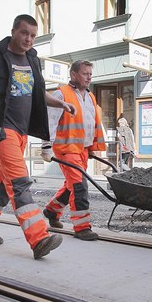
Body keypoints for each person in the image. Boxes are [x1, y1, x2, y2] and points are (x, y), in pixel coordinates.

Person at [0, 14, 76, 259]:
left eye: (33, 35)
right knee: (20, 181)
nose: (29, 39)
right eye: (24, 33)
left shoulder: (32, 60)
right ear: (13, 31)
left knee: (3, 184)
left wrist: (60, 104)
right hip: (0, 130)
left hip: (22, 131)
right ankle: (38, 238)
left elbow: (37, 93)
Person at [40, 60, 106, 241]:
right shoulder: (61, 94)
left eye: (90, 74)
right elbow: (50, 121)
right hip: (66, 148)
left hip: (82, 149)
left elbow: (92, 123)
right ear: (74, 75)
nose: (89, 77)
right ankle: (82, 227)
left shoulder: (90, 97)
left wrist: (92, 147)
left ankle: (52, 211)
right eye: (85, 74)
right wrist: (46, 146)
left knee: (72, 185)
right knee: (79, 185)